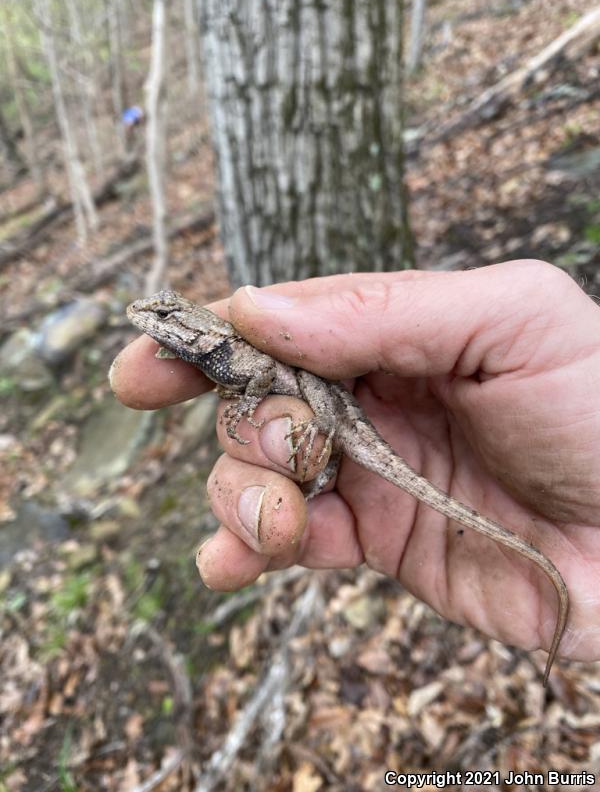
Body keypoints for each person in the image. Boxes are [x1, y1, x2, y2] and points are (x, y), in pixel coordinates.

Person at [110, 260, 600, 666]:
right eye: (162, 318)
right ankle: (321, 471)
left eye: (168, 316)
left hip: (334, 411)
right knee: (294, 472)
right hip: (322, 408)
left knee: (310, 426)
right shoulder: (207, 350)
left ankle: (321, 454)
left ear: (190, 325)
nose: (156, 321)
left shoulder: (228, 348)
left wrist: (254, 406)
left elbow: (260, 371)